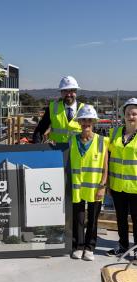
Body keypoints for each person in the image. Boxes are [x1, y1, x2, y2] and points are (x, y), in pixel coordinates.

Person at [69, 105, 108, 261]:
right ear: (79, 122)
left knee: (92, 218)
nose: (86, 123)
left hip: (95, 187)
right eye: (83, 120)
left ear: (94, 122)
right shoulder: (72, 140)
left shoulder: (102, 141)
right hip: (77, 186)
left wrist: (103, 186)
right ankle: (78, 246)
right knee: (78, 218)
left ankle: (89, 247)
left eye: (89, 120)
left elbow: (106, 167)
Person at [107, 98, 137, 260]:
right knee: (121, 219)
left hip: (135, 187)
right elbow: (108, 156)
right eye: (128, 114)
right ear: (123, 115)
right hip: (118, 186)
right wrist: (108, 184)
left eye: (134, 114)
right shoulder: (115, 133)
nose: (131, 117)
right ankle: (123, 245)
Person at [33, 76, 85, 143]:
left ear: (76, 91)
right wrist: (37, 147)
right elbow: (40, 130)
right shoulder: (52, 108)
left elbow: (91, 134)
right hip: (57, 150)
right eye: (65, 91)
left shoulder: (84, 110)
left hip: (77, 151)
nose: (68, 94)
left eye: (71, 90)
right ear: (61, 92)